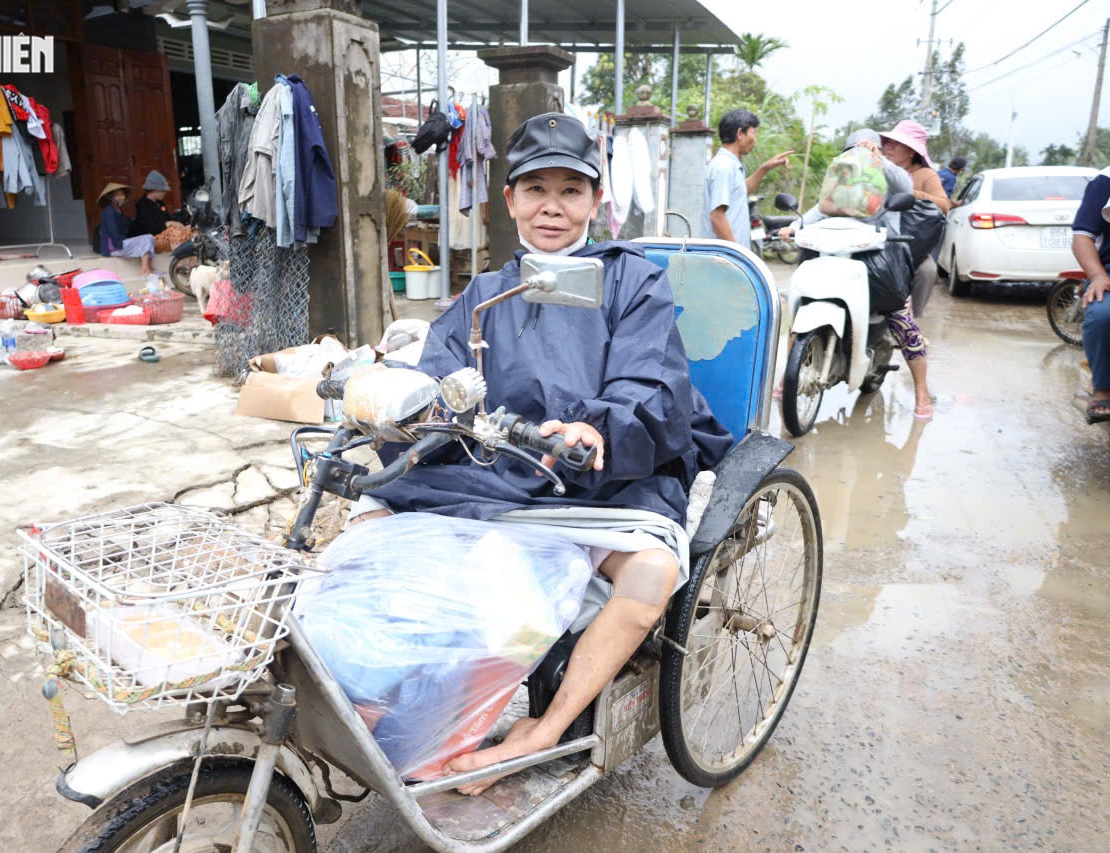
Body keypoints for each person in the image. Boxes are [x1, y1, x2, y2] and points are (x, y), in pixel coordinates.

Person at [354, 112, 733, 794]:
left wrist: (598, 430)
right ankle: (381, 685)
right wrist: (397, 397)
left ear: (595, 201)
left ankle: (543, 728)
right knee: (373, 524)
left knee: (649, 577)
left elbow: (649, 383)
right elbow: (438, 370)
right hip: (498, 469)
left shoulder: (632, 281)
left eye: (570, 190)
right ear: (511, 200)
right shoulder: (485, 290)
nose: (551, 206)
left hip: (603, 478)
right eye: (535, 189)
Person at [777, 129, 935, 421]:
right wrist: (793, 227)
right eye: (851, 152)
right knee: (799, 315)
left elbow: (905, 187)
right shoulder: (842, 180)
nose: (857, 157)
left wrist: (879, 160)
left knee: (903, 322)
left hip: (880, 263)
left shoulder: (888, 176)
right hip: (837, 259)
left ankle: (922, 394)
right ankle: (788, 376)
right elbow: (820, 209)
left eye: (862, 150)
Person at [880, 121, 950, 318]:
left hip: (910, 242)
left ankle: (911, 320)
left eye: (897, 143)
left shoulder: (925, 175)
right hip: (875, 235)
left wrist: (911, 194)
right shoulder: (876, 167)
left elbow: (943, 205)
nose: (889, 147)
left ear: (911, 151)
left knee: (927, 271)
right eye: (888, 142)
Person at [698, 109, 793, 246]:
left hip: (727, 257)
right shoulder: (724, 167)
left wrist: (765, 168)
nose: (755, 139)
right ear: (740, 133)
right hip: (724, 258)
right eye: (753, 133)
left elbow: (743, 189)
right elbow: (717, 216)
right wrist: (737, 254)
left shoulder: (730, 164)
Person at [1071, 166, 1110, 423]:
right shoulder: (1105, 182)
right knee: (1102, 315)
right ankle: (1103, 388)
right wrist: (1097, 275)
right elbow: (1083, 236)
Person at [95, 182, 157, 278]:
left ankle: (149, 268)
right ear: (111, 197)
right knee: (146, 239)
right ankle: (145, 269)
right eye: (118, 195)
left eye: (122, 194)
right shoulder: (109, 212)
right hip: (113, 247)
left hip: (120, 243)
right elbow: (115, 235)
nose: (121, 197)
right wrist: (131, 241)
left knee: (149, 238)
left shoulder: (119, 211)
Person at [129, 170, 191, 253]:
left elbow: (167, 218)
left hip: (166, 235)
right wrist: (167, 224)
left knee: (191, 230)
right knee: (174, 232)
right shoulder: (142, 205)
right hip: (152, 240)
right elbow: (149, 228)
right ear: (153, 189)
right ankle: (177, 263)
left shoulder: (159, 203)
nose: (165, 193)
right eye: (162, 191)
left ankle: (193, 262)